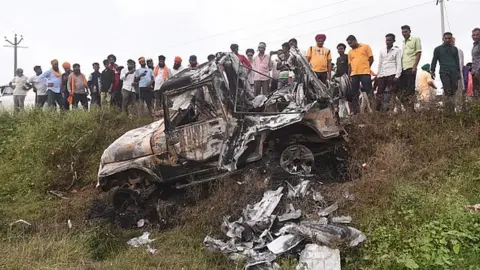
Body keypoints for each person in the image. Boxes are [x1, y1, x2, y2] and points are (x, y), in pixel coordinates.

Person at [431, 32, 461, 113]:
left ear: (451, 39)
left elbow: (457, 61)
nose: (447, 40)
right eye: (446, 38)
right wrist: (432, 70)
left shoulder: (454, 49)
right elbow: (434, 60)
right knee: (447, 90)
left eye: (449, 38)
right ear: (443, 39)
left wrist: (458, 72)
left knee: (454, 90)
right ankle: (448, 110)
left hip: (454, 71)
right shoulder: (438, 49)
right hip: (444, 72)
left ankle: (452, 109)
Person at [346, 35, 374, 115]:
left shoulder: (365, 46)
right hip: (354, 74)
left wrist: (366, 68)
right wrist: (349, 76)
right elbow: (349, 65)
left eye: (351, 43)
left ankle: (372, 109)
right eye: (349, 44)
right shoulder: (350, 52)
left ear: (355, 40)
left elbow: (371, 59)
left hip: (365, 73)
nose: (350, 45)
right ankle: (356, 111)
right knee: (354, 93)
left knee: (369, 91)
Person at [376, 33, 402, 111]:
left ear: (393, 41)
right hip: (382, 74)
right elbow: (380, 63)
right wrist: (378, 75)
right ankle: (378, 112)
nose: (388, 42)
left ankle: (390, 110)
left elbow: (399, 63)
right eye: (387, 40)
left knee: (391, 93)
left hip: (392, 74)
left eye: (390, 40)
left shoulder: (397, 50)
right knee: (379, 93)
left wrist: (397, 76)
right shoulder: (382, 51)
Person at [399, 25, 422, 111]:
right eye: (402, 32)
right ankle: (408, 108)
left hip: (411, 67)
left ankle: (411, 109)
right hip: (403, 68)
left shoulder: (416, 39)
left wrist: (415, 66)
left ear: (409, 31)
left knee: (410, 89)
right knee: (401, 90)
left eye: (405, 32)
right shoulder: (403, 42)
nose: (404, 34)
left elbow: (418, 53)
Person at [471, 28, 480, 98]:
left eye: (477, 34)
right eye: (473, 35)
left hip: (478, 70)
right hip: (474, 71)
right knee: (476, 93)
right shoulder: (475, 45)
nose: (475, 36)